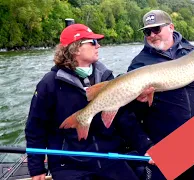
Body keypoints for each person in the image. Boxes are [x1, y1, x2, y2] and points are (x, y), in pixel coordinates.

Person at [25, 24, 154, 180]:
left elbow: (124, 117)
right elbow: (35, 127)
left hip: (110, 158)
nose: (98, 45)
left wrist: (146, 146)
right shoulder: (49, 83)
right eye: (92, 42)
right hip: (70, 165)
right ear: (76, 48)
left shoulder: (106, 77)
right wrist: (36, 167)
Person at [127, 10, 194, 180]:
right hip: (165, 145)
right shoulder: (139, 63)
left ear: (171, 27)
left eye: (156, 29)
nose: (152, 35)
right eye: (147, 31)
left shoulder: (192, 52)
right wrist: (146, 145)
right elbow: (130, 112)